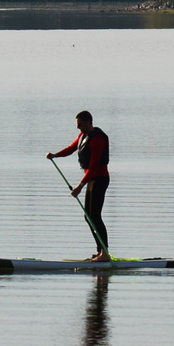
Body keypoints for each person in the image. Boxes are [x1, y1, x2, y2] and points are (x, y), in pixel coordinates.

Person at [46, 110, 111, 259]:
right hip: (91, 179)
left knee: (95, 215)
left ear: (89, 122)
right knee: (88, 216)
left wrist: (80, 186)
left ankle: (105, 253)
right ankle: (100, 250)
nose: (78, 128)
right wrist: (55, 155)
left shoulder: (98, 139)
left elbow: (94, 167)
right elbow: (71, 148)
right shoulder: (83, 136)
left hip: (100, 179)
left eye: (80, 124)